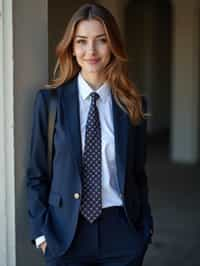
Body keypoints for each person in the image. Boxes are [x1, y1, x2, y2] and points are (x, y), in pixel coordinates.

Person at [26, 3, 154, 266]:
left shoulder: (133, 104)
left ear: (113, 46)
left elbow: (138, 174)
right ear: (71, 48)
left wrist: (144, 230)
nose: (91, 51)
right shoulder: (50, 102)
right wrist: (41, 234)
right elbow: (36, 174)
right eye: (82, 41)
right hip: (65, 235)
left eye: (101, 41)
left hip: (122, 232)